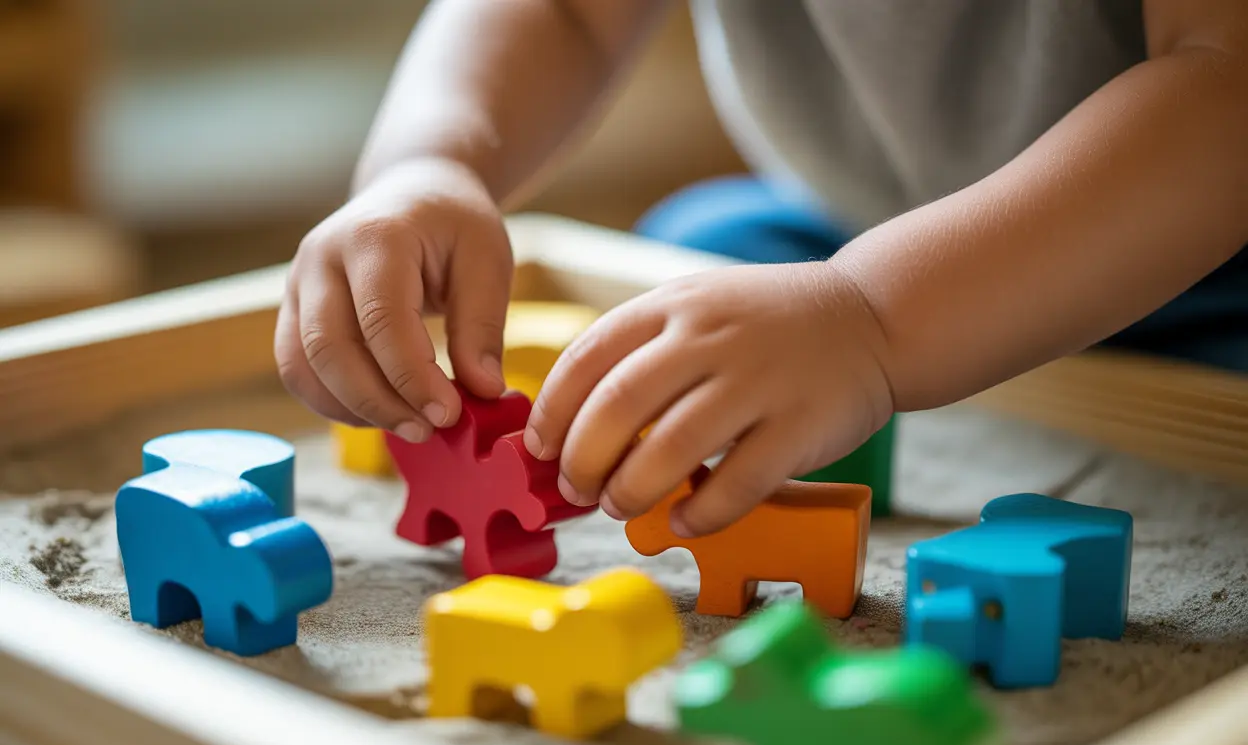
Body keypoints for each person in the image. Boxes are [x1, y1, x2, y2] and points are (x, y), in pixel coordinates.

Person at [275, 0, 1248, 539]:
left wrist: (870, 319)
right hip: (852, 228)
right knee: (697, 257)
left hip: (1203, 265)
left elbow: (1223, 88)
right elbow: (567, 13)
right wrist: (426, 164)